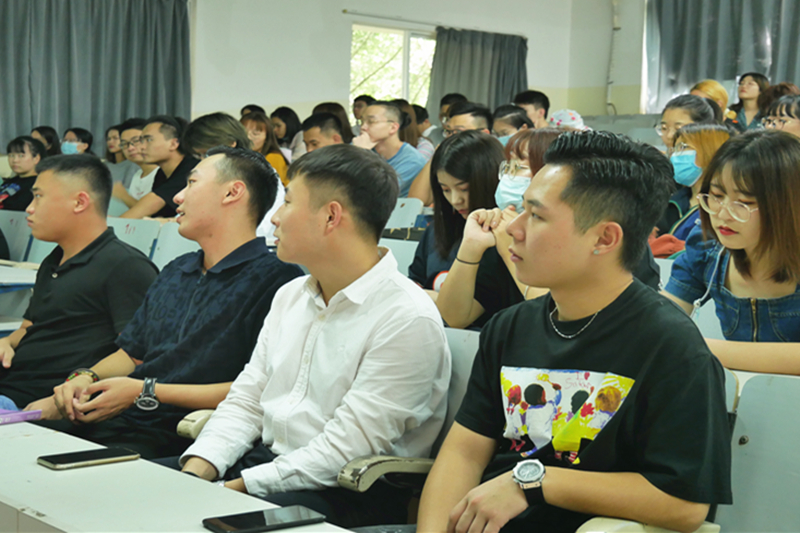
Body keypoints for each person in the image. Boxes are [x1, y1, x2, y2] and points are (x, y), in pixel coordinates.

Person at [417, 130, 732, 533]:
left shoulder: (671, 346)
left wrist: (534, 482)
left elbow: (683, 504)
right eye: (521, 210)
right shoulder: (510, 326)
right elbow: (464, 453)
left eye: (536, 216)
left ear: (604, 238)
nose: (514, 228)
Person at [176, 144, 450, 529]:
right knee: (141, 494)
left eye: (287, 202)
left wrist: (230, 490)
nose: (275, 218)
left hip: (343, 491)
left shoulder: (405, 317)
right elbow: (248, 400)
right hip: (264, 466)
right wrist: (197, 471)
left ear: (330, 216)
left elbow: (344, 450)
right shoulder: (291, 295)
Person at [30, 147, 303, 459]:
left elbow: (262, 389)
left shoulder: (276, 280)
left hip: (182, 434)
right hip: (122, 418)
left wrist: (144, 391)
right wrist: (85, 377)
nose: (177, 197)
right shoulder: (177, 269)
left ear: (232, 192)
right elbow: (132, 354)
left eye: (192, 183)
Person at [0, 155, 157, 412]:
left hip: (42, 401)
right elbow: (29, 327)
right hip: (11, 385)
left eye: (38, 197)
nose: (29, 208)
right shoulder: (54, 260)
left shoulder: (126, 266)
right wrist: (6, 342)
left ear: (79, 202)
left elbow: (137, 355)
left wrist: (67, 397)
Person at [663, 130, 800, 374]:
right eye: (716, 196)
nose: (723, 214)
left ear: (788, 205)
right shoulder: (707, 249)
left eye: (744, 203)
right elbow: (662, 321)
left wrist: (695, 347)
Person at [408, 131, 518, 329]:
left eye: (464, 189)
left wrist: (433, 298)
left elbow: (457, 316)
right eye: (445, 189)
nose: (455, 200)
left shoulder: (500, 237)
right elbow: (411, 287)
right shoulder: (436, 230)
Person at [182, 112, 285, 241]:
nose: (203, 160)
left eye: (205, 153)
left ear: (231, 144)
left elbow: (259, 229)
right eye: (199, 155)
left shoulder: (260, 175)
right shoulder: (212, 175)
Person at [652, 124, 731, 255]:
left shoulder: (724, 207)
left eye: (683, 147)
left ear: (709, 150)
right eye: (674, 149)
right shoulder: (670, 200)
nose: (675, 156)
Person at [407, 102, 493, 204]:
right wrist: (436, 157)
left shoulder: (496, 166)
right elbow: (415, 202)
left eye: (458, 131)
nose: (450, 138)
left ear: (483, 134)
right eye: (448, 131)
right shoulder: (447, 162)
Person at [120, 115, 197, 219]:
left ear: (173, 144)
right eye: (142, 141)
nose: (141, 147)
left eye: (148, 140)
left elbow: (151, 204)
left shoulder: (191, 169)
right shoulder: (161, 174)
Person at [354, 101, 427, 198]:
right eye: (362, 121)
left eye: (371, 122)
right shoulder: (360, 146)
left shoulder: (412, 161)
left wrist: (361, 154)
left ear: (393, 127)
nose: (363, 127)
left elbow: (376, 194)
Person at [111, 119, 160, 208]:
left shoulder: (162, 174)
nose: (130, 148)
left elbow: (152, 212)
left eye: (136, 141)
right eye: (124, 144)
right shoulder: (137, 175)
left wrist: (124, 196)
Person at [239, 111, 290, 185]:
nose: (248, 137)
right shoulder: (237, 157)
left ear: (267, 137)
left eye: (255, 133)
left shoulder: (273, 158)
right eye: (244, 133)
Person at [2, 136, 46, 211]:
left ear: (36, 158)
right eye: (11, 155)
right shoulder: (9, 182)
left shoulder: (39, 184)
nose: (15, 160)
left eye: (21, 156)